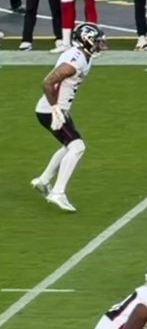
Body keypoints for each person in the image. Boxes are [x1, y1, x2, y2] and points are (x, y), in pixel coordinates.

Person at [31, 23, 106, 213]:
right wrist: (55, 108)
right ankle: (58, 193)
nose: (100, 45)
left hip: (56, 109)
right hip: (51, 111)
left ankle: (44, 180)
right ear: (86, 41)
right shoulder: (76, 60)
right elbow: (48, 82)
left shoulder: (82, 56)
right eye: (96, 41)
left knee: (69, 145)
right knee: (77, 147)